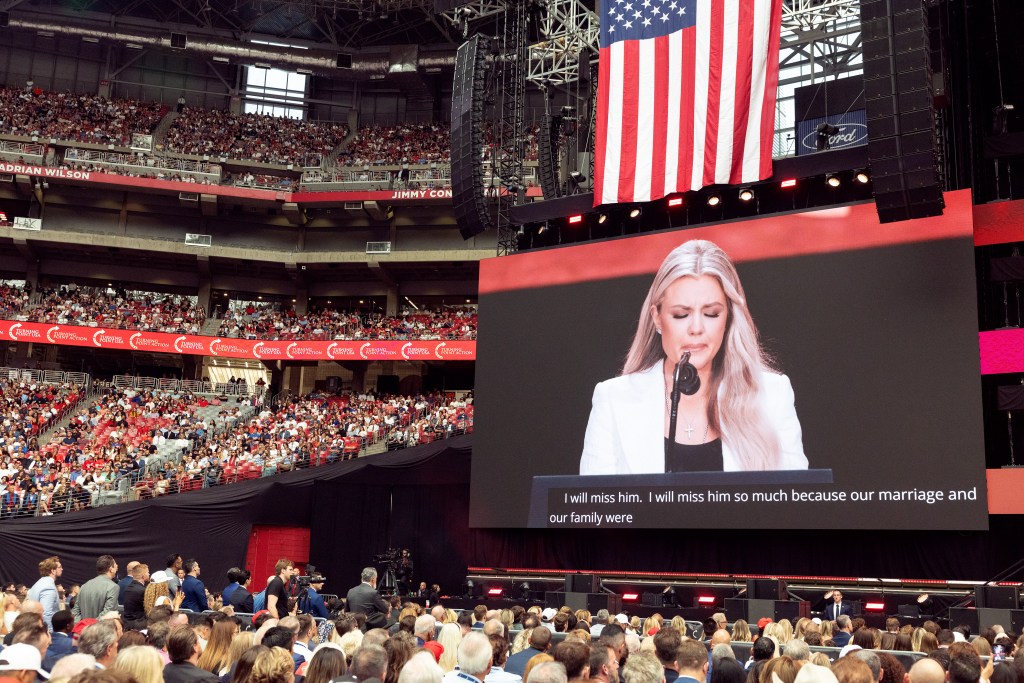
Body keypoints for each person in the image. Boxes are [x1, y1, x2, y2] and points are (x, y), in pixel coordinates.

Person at [579, 239, 807, 473]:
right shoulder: (613, 400)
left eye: (711, 313)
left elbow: (797, 503)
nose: (696, 328)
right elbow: (592, 507)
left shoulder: (772, 396)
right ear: (657, 317)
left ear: (728, 317)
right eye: (680, 315)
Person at [73, 555, 120, 621]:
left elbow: (75, 612)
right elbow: (107, 614)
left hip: (84, 630)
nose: (117, 567)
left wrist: (84, 626)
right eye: (115, 565)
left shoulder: (84, 586)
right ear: (111, 569)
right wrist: (93, 627)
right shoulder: (113, 587)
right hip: (102, 630)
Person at [26, 555, 61, 632]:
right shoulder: (48, 587)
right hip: (43, 632)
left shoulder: (39, 583)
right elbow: (46, 613)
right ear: (52, 570)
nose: (62, 569)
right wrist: (49, 633)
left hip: (35, 628)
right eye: (59, 567)